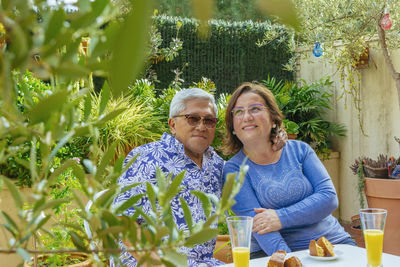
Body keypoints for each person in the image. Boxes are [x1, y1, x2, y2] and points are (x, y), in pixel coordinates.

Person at [222, 82, 354, 259]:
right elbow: (258, 227)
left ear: (273, 117)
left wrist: (280, 217)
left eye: (255, 109)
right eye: (238, 111)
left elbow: (328, 197)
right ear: (233, 126)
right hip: (274, 253)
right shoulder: (234, 169)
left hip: (332, 242)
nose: (246, 117)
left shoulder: (300, 150)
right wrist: (291, 260)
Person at [111, 88, 225, 267]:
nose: (202, 126)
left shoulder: (217, 164)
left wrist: (275, 141)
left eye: (209, 120)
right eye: (193, 118)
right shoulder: (146, 158)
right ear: (172, 124)